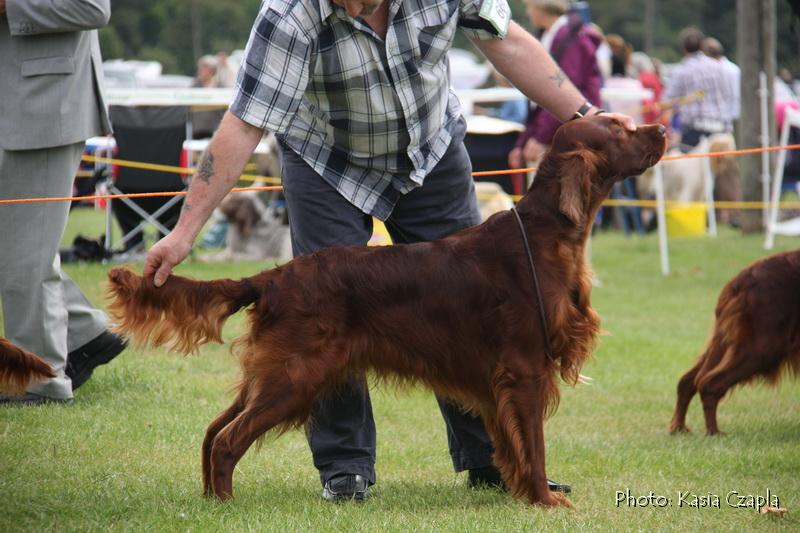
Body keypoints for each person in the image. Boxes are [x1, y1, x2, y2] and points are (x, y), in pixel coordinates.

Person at [143, 0, 635, 502]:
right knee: (325, 316)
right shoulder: (289, 15)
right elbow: (244, 123)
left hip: (429, 148)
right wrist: (184, 232)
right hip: (326, 161)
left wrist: (585, 116)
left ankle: (496, 461)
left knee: (478, 308)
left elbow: (505, 38)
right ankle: (345, 468)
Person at [0, 0, 126, 405]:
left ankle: (38, 379)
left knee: (25, 257)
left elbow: (91, 7)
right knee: (22, 244)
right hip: (18, 101)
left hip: (41, 103)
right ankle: (83, 332)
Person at [509, 0, 603, 168]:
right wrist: (522, 143)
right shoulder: (550, 37)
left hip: (574, 137)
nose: (528, 13)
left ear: (541, 7)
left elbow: (562, 93)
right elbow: (540, 98)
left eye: (529, 7)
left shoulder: (574, 39)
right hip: (560, 132)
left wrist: (539, 138)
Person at [663, 28, 734, 148]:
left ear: (683, 48)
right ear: (702, 45)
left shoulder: (681, 71)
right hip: (721, 130)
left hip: (694, 131)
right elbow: (728, 96)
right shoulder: (720, 68)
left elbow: (667, 101)